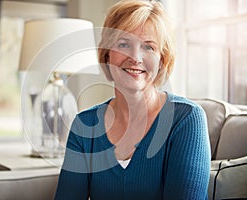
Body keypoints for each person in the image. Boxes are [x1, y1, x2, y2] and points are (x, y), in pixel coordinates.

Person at [54, 0, 211, 199]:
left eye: (148, 47)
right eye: (123, 44)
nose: (135, 57)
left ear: (162, 60)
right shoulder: (84, 125)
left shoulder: (186, 119)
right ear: (107, 54)